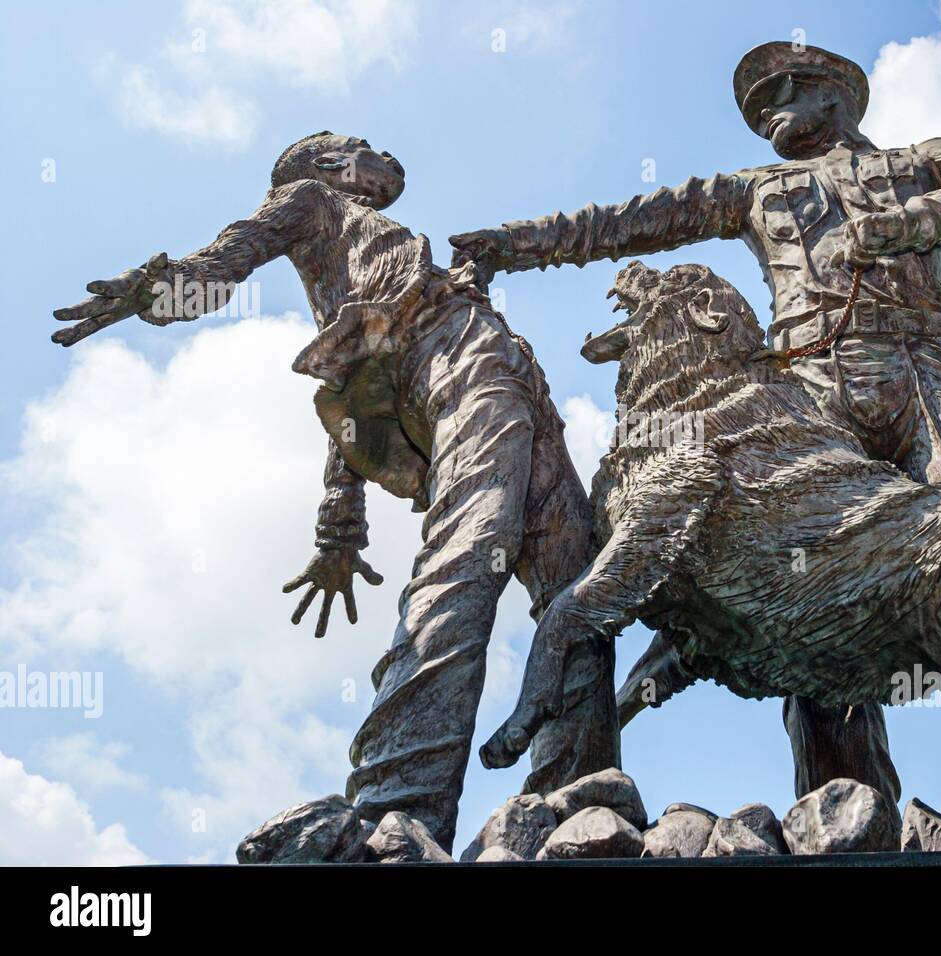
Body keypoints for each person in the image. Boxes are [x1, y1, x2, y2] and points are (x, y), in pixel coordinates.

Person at [450, 43, 941, 828]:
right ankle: (846, 819)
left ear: (836, 94)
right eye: (759, 100)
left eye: (785, 89)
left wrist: (908, 221)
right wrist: (510, 244)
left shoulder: (921, 161)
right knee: (812, 586)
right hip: (812, 390)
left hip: (929, 372)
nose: (768, 107)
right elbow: (625, 223)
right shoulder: (752, 190)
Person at [52, 132, 620, 851]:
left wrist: (340, 525)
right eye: (365, 146)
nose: (387, 156)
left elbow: (352, 391)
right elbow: (230, 258)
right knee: (473, 548)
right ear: (329, 166)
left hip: (505, 370)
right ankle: (398, 809)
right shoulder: (309, 199)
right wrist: (157, 293)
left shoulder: (362, 262)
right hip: (456, 359)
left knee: (581, 588)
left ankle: (578, 803)